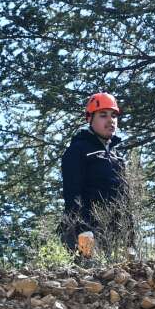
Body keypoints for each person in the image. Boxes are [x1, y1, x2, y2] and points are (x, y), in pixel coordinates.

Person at [60, 92, 127, 252]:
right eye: (103, 115)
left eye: (114, 115)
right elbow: (72, 194)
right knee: (87, 268)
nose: (110, 120)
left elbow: (125, 201)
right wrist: (82, 230)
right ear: (89, 118)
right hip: (86, 233)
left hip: (114, 236)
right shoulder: (78, 150)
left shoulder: (118, 156)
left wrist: (129, 238)